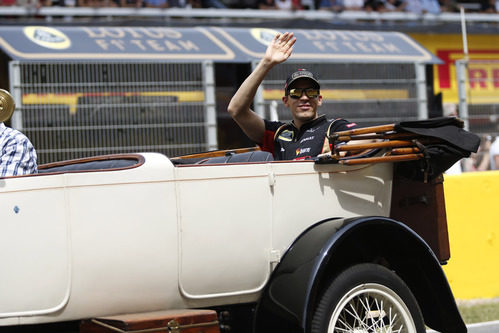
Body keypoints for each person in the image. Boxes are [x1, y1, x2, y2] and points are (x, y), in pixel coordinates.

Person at [227, 32, 358, 161]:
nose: (304, 98)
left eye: (311, 92)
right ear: (286, 101)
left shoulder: (334, 127)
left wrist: (341, 150)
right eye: (296, 93)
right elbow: (236, 110)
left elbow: (373, 137)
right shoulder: (277, 133)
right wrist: (266, 63)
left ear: (319, 100)